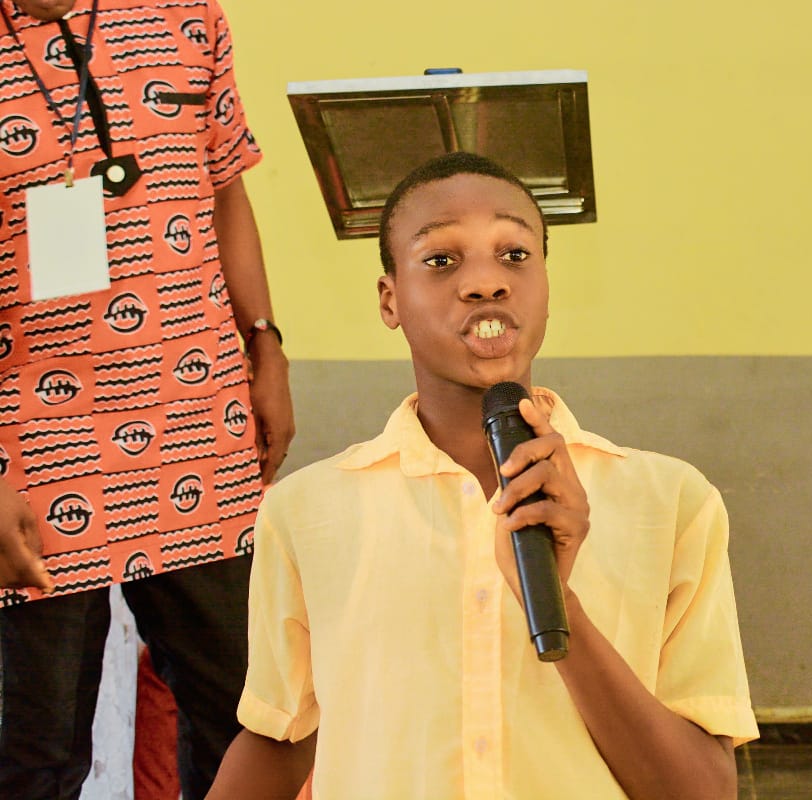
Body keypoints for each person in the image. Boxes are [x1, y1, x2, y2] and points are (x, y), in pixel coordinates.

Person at [207, 151, 757, 799]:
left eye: (515, 255)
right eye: (442, 260)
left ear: (547, 283)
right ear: (390, 300)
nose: (485, 283)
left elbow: (700, 791)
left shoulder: (671, 505)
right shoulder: (307, 512)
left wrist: (557, 604)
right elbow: (279, 739)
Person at [0, 1, 294, 798]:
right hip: (31, 446)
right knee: (34, 756)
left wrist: (264, 343)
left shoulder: (185, 14)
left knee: (249, 724)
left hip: (197, 419)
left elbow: (226, 187)